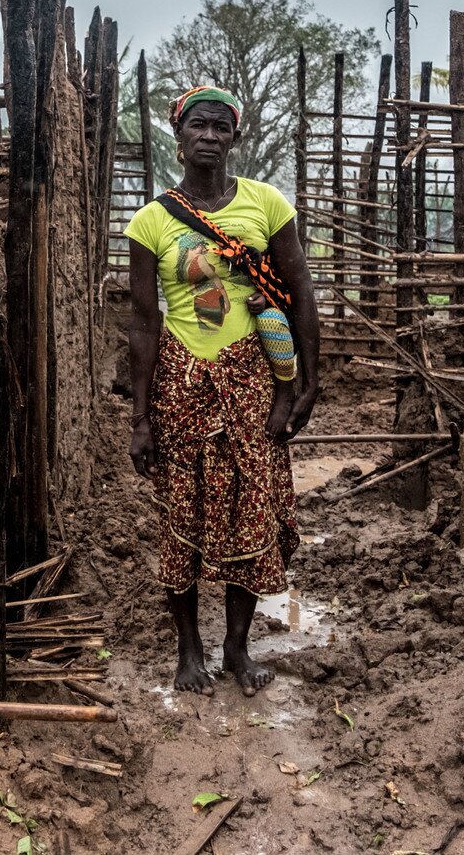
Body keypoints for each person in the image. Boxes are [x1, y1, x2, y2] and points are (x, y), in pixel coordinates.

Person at [125, 85, 320, 697]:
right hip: (181, 381)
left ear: (235, 137)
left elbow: (301, 293)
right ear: (178, 137)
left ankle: (236, 649)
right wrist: (139, 417)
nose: (208, 136)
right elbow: (142, 322)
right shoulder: (152, 220)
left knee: (251, 508)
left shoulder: (266, 205)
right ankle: (190, 651)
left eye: (220, 127)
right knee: (182, 512)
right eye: (197, 126)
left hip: (253, 382)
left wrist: (307, 382)